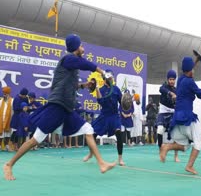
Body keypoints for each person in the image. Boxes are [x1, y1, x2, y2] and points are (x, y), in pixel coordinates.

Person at [3, 34, 116, 180]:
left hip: (66, 109)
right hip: (56, 108)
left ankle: (102, 163)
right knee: (34, 141)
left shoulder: (71, 66)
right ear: (75, 47)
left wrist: (84, 85)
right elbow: (85, 64)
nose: (83, 47)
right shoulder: (68, 59)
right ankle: (9, 164)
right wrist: (102, 72)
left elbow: (71, 84)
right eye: (81, 45)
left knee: (88, 129)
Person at [159, 56, 201, 175]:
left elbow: (187, 73)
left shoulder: (181, 79)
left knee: (185, 146)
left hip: (177, 117)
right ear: (190, 70)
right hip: (187, 117)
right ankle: (189, 166)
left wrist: (194, 63)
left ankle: (166, 147)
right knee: (199, 140)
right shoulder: (190, 82)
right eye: (193, 69)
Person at [83, 69, 125, 166]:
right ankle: (90, 154)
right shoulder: (101, 89)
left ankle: (120, 158)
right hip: (104, 116)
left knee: (118, 133)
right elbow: (100, 102)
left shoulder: (116, 89)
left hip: (114, 116)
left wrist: (126, 105)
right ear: (105, 78)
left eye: (112, 77)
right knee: (92, 134)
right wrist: (97, 89)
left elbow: (122, 102)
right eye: (110, 77)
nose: (111, 79)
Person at [156, 69, 179, 162]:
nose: (172, 81)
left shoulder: (177, 90)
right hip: (163, 111)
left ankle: (176, 155)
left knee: (176, 133)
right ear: (168, 79)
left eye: (173, 79)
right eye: (170, 79)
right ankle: (161, 151)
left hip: (173, 112)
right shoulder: (164, 86)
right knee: (160, 130)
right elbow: (161, 89)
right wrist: (170, 93)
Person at [0, 87, 14, 152]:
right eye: (4, 94)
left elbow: (13, 111)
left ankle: (6, 146)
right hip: (1, 119)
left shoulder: (12, 101)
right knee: (1, 133)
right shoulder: (0, 101)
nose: (4, 95)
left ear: (8, 94)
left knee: (8, 133)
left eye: (5, 94)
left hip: (9, 119)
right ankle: (0, 146)